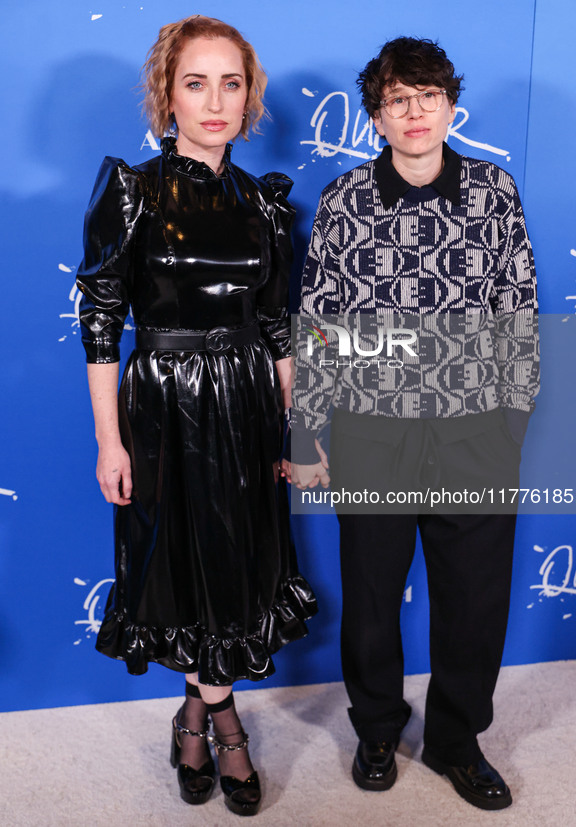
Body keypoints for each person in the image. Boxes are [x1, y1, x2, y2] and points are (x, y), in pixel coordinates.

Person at [76, 15, 317, 817]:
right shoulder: (131, 190)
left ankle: (195, 713)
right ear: (167, 94)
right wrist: (110, 439)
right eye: (195, 82)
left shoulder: (266, 204)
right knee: (175, 561)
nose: (215, 100)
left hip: (247, 396)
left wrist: (300, 424)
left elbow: (280, 323)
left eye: (231, 82)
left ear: (249, 97)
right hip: (164, 404)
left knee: (235, 561)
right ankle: (223, 717)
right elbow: (103, 319)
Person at [291, 37, 538, 811]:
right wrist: (304, 433)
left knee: (474, 599)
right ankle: (374, 728)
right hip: (372, 430)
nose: (415, 111)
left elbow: (518, 314)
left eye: (428, 95)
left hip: (474, 431)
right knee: (369, 595)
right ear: (376, 117)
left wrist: (511, 424)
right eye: (398, 99)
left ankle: (458, 741)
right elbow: (317, 324)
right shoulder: (342, 201)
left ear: (450, 106)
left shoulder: (494, 191)